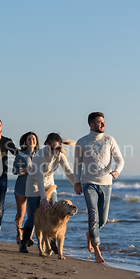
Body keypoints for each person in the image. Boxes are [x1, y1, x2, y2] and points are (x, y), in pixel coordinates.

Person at [73, 112, 124, 263]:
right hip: (89, 183)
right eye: (100, 122)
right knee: (93, 215)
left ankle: (90, 234)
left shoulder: (109, 139)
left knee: (103, 219)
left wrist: (117, 171)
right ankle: (97, 251)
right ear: (91, 124)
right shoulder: (82, 142)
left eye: (103, 122)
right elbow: (77, 165)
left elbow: (120, 159)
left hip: (107, 183)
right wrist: (77, 182)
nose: (103, 124)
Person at [19, 133, 76, 253]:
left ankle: (53, 243)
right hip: (34, 184)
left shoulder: (59, 155)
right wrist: (43, 198)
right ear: (46, 144)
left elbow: (68, 171)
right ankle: (23, 243)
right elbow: (39, 178)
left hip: (49, 183)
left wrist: (76, 184)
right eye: (52, 148)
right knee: (34, 215)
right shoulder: (40, 155)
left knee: (55, 209)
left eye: (58, 148)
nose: (55, 151)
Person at [12, 131, 39, 244]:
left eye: (33, 139)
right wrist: (25, 170)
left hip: (34, 187)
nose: (31, 141)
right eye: (29, 139)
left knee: (32, 213)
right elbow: (14, 171)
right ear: (26, 142)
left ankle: (29, 236)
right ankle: (19, 233)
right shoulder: (21, 154)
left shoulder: (40, 154)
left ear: (36, 141)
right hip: (21, 187)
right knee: (21, 213)